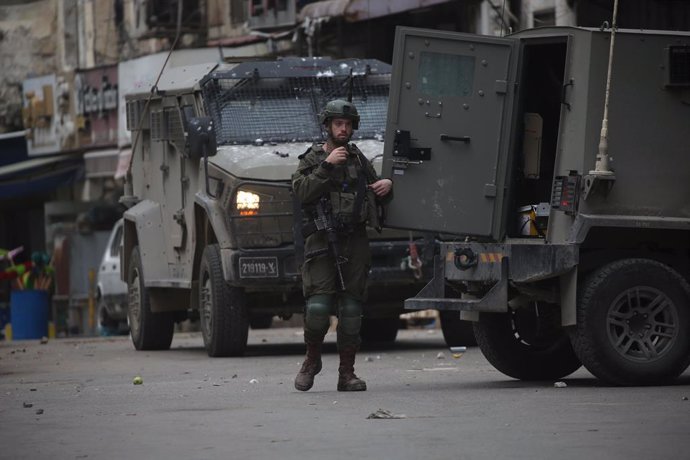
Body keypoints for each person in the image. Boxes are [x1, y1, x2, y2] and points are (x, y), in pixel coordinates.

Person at [292, 99, 393, 392]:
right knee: (319, 306)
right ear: (328, 126)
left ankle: (346, 373)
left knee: (351, 308)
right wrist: (326, 166)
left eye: (348, 124)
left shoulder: (359, 159)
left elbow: (376, 192)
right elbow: (301, 191)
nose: (344, 129)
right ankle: (312, 360)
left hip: (355, 241)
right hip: (322, 240)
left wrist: (386, 187)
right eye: (338, 124)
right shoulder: (313, 158)